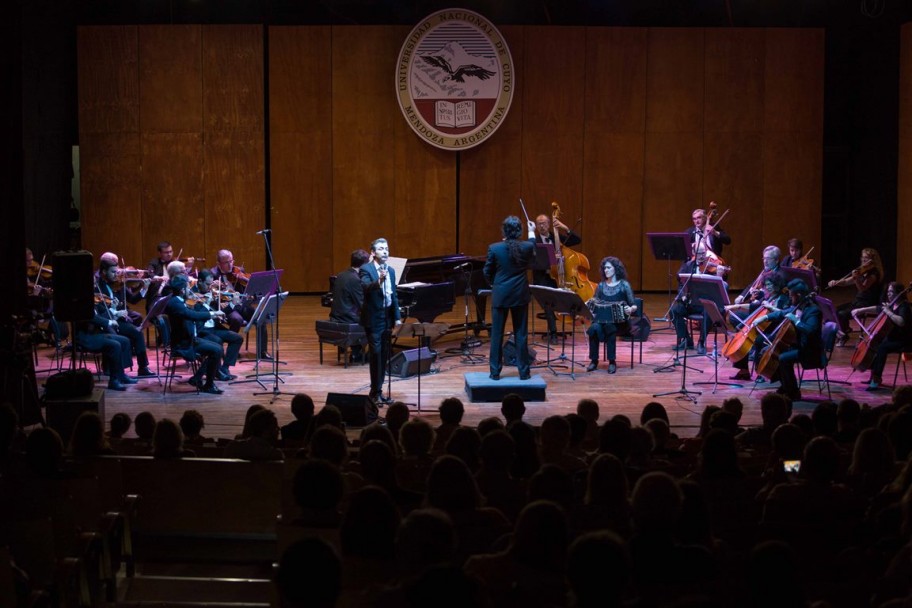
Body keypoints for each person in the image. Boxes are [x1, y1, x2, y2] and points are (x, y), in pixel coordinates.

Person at [748, 279, 822, 402]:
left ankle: (793, 393)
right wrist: (765, 317)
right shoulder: (799, 306)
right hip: (798, 345)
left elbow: (810, 331)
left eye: (791, 295)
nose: (789, 297)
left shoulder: (813, 310)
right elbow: (782, 313)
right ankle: (785, 385)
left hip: (809, 349)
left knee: (783, 358)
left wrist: (797, 321)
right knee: (769, 352)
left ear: (798, 295)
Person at [671, 207, 732, 355]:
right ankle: (686, 340)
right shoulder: (690, 237)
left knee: (708, 309)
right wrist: (683, 295)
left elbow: (727, 240)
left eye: (699, 218)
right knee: (674, 310)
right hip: (692, 299)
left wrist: (714, 232)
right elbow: (681, 283)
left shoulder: (713, 229)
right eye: (694, 219)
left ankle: (702, 342)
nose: (696, 221)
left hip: (706, 297)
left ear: (705, 218)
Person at [485, 216, 536, 381]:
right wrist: (531, 232)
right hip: (520, 294)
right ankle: (524, 373)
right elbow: (533, 248)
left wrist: (496, 284)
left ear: (504, 230)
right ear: (519, 231)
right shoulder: (527, 246)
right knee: (521, 334)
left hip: (501, 294)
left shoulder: (495, 248)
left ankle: (494, 373)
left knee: (497, 335)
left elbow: (487, 272)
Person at [164, 273, 227, 394]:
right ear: (183, 290)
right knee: (216, 350)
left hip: (190, 339)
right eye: (187, 287)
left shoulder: (178, 300)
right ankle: (208, 385)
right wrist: (212, 314)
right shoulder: (175, 304)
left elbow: (190, 313)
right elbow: (191, 316)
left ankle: (199, 378)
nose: (189, 290)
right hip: (183, 344)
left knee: (217, 347)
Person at [95, 258, 155, 378]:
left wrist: (145, 288)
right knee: (119, 338)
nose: (116, 275)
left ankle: (143, 367)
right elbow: (99, 311)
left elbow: (132, 299)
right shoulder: (97, 287)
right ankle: (112, 368)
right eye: (113, 272)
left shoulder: (119, 284)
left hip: (119, 321)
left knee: (137, 333)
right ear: (103, 272)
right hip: (106, 322)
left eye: (117, 272)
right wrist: (115, 311)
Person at [727, 270, 789, 381]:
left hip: (775, 328)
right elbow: (753, 307)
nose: (768, 287)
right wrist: (733, 307)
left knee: (758, 340)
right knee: (743, 335)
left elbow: (784, 313)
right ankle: (743, 370)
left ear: (777, 285)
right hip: (763, 326)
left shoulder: (783, 298)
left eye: (770, 285)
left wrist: (771, 307)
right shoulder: (768, 297)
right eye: (767, 285)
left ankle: (759, 372)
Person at [360, 238, 401, 403]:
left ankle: (379, 390)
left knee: (384, 355)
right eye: (381, 249)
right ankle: (374, 391)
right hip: (373, 319)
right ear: (373, 253)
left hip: (387, 318)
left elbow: (394, 295)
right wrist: (379, 281)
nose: (385, 251)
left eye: (387, 248)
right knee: (376, 354)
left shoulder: (390, 270)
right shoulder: (366, 269)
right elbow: (365, 287)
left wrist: (397, 318)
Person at [530, 212, 581, 343]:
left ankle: (571, 322)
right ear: (536, 226)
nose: (542, 226)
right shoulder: (533, 242)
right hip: (543, 278)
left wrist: (565, 227)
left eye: (544, 223)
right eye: (539, 224)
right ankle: (553, 333)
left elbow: (577, 240)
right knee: (548, 304)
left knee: (567, 297)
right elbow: (531, 263)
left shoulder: (556, 238)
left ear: (549, 224)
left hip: (560, 277)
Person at [852, 281, 912, 390]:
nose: (888, 294)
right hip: (892, 338)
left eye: (891, 292)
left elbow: (901, 322)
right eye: (888, 292)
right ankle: (873, 375)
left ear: (899, 293)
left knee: (882, 348)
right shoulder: (892, 304)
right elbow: (878, 308)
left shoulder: (904, 306)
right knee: (875, 345)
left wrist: (888, 312)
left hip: (904, 340)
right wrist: (860, 310)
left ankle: (876, 379)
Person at [210, 249, 269, 359]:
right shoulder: (213, 274)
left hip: (241, 305)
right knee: (237, 319)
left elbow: (249, 288)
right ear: (219, 264)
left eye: (231, 261)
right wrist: (215, 287)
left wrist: (245, 280)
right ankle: (232, 350)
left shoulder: (238, 271)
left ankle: (263, 351)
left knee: (261, 317)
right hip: (226, 307)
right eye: (226, 262)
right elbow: (210, 296)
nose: (230, 264)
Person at [585, 256, 637, 374]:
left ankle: (612, 361)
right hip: (602, 321)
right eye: (604, 268)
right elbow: (594, 302)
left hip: (620, 323)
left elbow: (633, 305)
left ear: (616, 269)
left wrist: (630, 309)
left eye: (608, 268)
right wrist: (587, 306)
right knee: (594, 328)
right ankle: (594, 360)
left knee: (610, 327)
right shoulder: (601, 286)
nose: (606, 270)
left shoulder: (624, 285)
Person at [192, 269, 243, 381]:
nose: (210, 287)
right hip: (201, 330)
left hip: (213, 328)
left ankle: (224, 369)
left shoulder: (212, 294)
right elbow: (197, 316)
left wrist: (232, 304)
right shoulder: (192, 294)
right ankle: (215, 371)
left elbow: (221, 313)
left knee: (237, 338)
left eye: (211, 284)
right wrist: (208, 304)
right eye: (207, 284)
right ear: (199, 281)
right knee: (217, 341)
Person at [828, 247, 883, 346]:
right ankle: (845, 329)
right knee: (835, 310)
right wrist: (835, 282)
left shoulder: (874, 274)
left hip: (867, 303)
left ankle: (843, 336)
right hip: (858, 301)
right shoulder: (862, 271)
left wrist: (856, 278)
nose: (863, 260)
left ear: (873, 260)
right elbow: (845, 282)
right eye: (862, 257)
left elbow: (862, 288)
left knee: (842, 314)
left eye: (866, 258)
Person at [331, 248, 370, 362]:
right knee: (377, 323)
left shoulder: (341, 275)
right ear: (364, 265)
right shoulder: (355, 279)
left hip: (337, 315)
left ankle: (356, 350)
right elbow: (362, 304)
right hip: (347, 318)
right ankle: (360, 354)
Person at [144, 241, 176, 311]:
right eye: (166, 252)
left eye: (171, 251)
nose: (169, 254)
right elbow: (149, 273)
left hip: (171, 295)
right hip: (157, 296)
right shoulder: (154, 262)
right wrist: (159, 278)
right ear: (160, 253)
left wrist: (188, 267)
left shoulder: (175, 263)